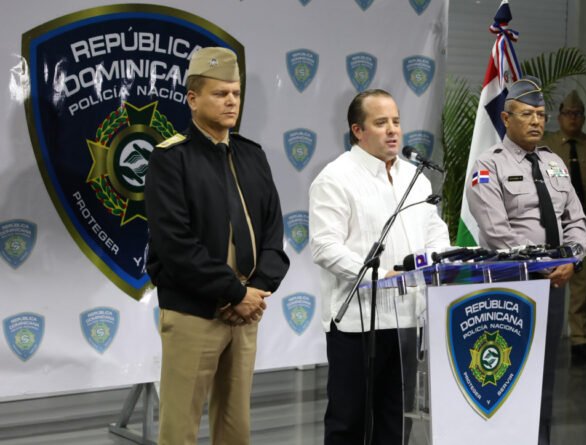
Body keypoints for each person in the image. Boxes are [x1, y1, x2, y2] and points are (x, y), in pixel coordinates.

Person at [144, 47, 290, 444]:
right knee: (179, 430)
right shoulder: (170, 159)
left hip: (245, 312)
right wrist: (235, 293)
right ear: (192, 99)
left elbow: (273, 233)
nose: (231, 102)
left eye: (236, 94)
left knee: (235, 428)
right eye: (220, 93)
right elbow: (175, 246)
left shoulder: (252, 155)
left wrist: (257, 290)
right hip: (194, 312)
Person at [309, 89, 450, 445]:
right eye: (381, 122)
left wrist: (433, 263)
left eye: (396, 122)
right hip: (357, 324)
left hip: (407, 321)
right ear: (357, 130)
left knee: (396, 423)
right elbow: (325, 246)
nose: (392, 130)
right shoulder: (335, 178)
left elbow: (435, 232)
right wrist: (380, 275)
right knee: (349, 423)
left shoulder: (415, 178)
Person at [465, 76, 586, 445]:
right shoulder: (488, 166)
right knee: (507, 370)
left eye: (540, 115)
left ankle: (539, 439)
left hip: (554, 282)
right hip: (512, 285)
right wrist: (539, 264)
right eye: (527, 114)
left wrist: (572, 259)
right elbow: (495, 231)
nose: (536, 121)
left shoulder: (553, 162)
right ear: (506, 118)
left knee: (544, 371)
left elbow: (576, 219)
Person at [541, 90, 586, 364]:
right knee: (549, 279)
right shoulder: (546, 144)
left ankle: (580, 339)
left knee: (582, 284)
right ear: (559, 116)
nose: (573, 118)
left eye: (577, 114)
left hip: (585, 225)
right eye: (568, 113)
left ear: (583, 118)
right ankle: (545, 336)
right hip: (550, 227)